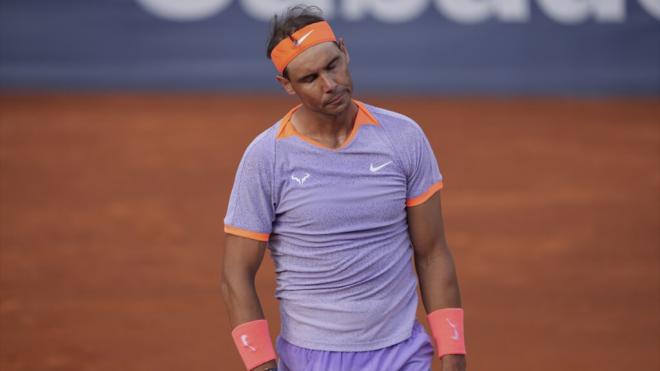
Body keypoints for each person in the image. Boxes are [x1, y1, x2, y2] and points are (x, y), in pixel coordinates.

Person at [221, 5, 467, 371]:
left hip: (401, 355)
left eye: (333, 65)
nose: (330, 84)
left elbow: (432, 252)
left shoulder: (403, 137)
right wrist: (261, 365)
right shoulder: (267, 157)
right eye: (309, 78)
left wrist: (453, 352)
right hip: (310, 359)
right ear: (286, 85)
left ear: (345, 50)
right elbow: (235, 275)